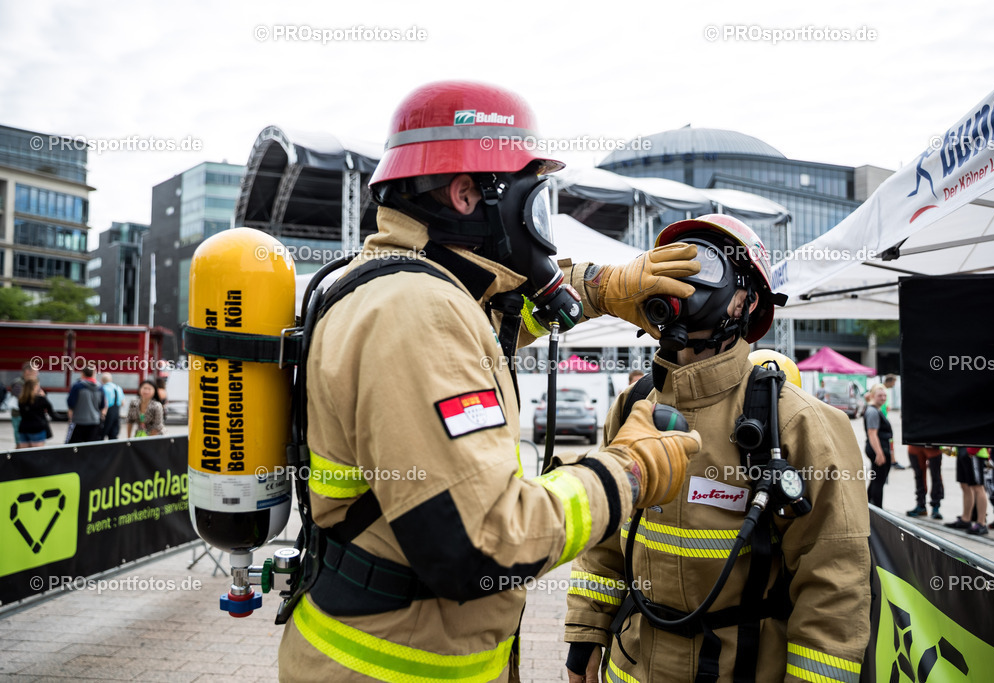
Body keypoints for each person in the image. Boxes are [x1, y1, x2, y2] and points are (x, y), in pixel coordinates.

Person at [277, 80, 704, 682]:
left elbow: (497, 324)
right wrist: (629, 470)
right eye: (533, 198)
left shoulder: (403, 286)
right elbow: (483, 544)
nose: (540, 225)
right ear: (466, 193)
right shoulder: (418, 312)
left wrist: (600, 287)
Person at [564, 215, 870, 683]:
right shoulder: (632, 407)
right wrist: (587, 631)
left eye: (705, 266)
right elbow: (604, 540)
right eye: (672, 266)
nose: (683, 281)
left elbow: (835, 582)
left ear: (747, 299)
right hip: (632, 668)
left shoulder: (798, 422)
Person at [945, 447, 989, 535]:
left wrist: (972, 450)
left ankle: (981, 523)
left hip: (975, 450)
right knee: (965, 485)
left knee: (978, 487)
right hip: (962, 449)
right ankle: (965, 519)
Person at [864, 383, 893, 507]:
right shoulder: (873, 412)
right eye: (880, 395)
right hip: (878, 449)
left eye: (884, 395)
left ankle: (868, 505)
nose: (883, 398)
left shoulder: (876, 409)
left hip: (880, 448)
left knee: (876, 480)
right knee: (878, 481)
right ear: (872, 396)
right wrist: (879, 453)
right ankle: (877, 508)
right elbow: (872, 433)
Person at [66, 367, 106, 444]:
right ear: (94, 374)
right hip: (95, 421)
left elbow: (71, 403)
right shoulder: (100, 388)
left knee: (75, 445)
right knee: (90, 446)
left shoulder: (77, 386)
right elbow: (102, 405)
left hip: (79, 421)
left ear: (82, 374)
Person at [906, 444, 944, 519]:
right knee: (919, 475)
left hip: (932, 445)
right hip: (915, 445)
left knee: (936, 476)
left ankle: (935, 506)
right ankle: (921, 505)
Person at [17, 378, 57, 448]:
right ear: (35, 387)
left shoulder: (21, 400)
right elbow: (51, 412)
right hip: (37, 428)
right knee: (37, 452)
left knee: (24, 452)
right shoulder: (40, 399)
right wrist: (44, 397)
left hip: (23, 428)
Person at [10, 362, 38, 449]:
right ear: (27, 371)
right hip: (19, 416)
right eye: (35, 371)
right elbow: (22, 398)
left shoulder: (34, 383)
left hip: (30, 416)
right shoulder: (18, 383)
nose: (37, 373)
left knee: (30, 444)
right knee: (20, 443)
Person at [880, 374, 905, 469]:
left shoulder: (883, 389)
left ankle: (892, 460)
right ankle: (892, 461)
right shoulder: (881, 389)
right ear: (889, 381)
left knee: (889, 440)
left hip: (884, 419)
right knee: (889, 440)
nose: (894, 385)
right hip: (882, 420)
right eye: (894, 382)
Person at [100, 372, 125, 440]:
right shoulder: (118, 388)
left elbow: (103, 403)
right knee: (113, 436)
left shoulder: (103, 388)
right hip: (116, 413)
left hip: (107, 413)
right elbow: (123, 403)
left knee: (101, 435)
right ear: (111, 379)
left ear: (102, 380)